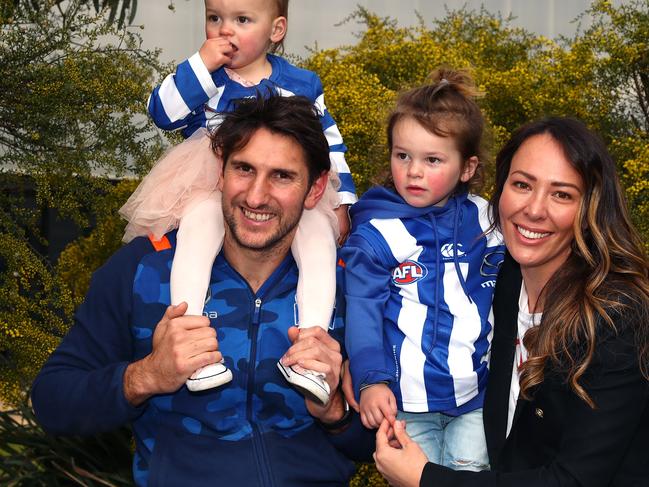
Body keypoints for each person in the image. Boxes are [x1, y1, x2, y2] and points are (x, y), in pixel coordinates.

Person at [31, 95, 372, 486]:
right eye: (244, 169)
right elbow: (53, 401)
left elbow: (384, 440)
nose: (256, 196)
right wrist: (146, 377)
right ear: (220, 172)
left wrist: (334, 412)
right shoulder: (143, 268)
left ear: (315, 189)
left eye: (282, 176)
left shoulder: (351, 285)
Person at [373, 117, 649, 486]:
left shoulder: (617, 317)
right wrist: (344, 403)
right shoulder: (498, 284)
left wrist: (427, 480)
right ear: (499, 191)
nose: (534, 209)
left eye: (561, 194)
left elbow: (576, 479)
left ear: (590, 210)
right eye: (522, 185)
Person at [119, 0, 356, 402]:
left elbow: (329, 144)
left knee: (317, 238)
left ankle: (311, 352)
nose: (225, 30)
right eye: (215, 18)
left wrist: (343, 199)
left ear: (275, 30)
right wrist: (201, 64)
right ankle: (192, 344)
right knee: (197, 235)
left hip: (283, 186)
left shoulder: (302, 82)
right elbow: (162, 112)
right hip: (209, 181)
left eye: (242, 20)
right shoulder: (205, 79)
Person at [341, 69, 505, 471]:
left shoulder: (486, 220)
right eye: (403, 156)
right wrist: (371, 380)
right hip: (406, 403)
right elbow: (362, 312)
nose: (414, 171)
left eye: (432, 159)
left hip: (477, 396)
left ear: (467, 168)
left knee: (469, 478)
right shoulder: (377, 232)